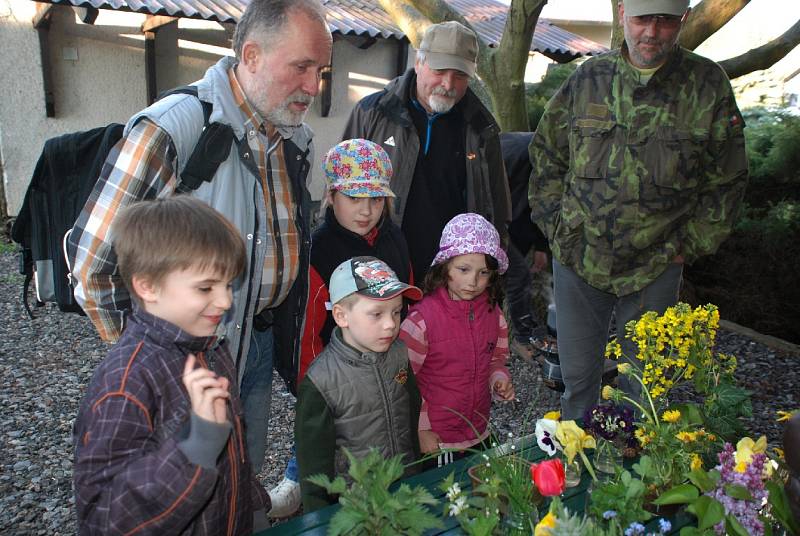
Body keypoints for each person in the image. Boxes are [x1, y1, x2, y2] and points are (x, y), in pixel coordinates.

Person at [66, 0, 333, 515]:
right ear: (251, 55)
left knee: (230, 482)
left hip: (249, 344)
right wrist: (150, 358)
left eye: (320, 71)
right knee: (173, 498)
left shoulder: (293, 136)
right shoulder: (175, 128)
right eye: (301, 67)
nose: (313, 87)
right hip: (182, 360)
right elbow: (92, 260)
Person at [528, 0, 749, 419]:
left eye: (665, 21)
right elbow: (547, 156)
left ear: (682, 19)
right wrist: (557, 227)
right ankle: (576, 468)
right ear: (623, 13)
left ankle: (633, 475)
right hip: (580, 257)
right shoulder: (588, 78)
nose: (652, 32)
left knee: (645, 386)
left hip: (656, 261)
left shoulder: (706, 85)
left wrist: (691, 245)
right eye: (643, 19)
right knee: (576, 380)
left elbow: (728, 178)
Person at [73, 196, 271, 533]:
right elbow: (106, 521)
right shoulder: (126, 383)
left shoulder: (211, 348)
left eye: (227, 285)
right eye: (205, 287)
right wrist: (198, 444)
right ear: (148, 286)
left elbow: (234, 452)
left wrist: (252, 507)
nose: (225, 301)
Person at [273, 138, 414, 516]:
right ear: (332, 195)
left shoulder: (395, 238)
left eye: (376, 199)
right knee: (328, 439)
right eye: (354, 198)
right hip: (337, 371)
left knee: (382, 427)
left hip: (385, 360)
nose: (366, 211)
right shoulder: (318, 250)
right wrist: (310, 385)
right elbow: (306, 328)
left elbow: (408, 300)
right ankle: (301, 479)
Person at [341, 21, 511, 282]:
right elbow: (339, 189)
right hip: (378, 265)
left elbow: (497, 210)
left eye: (460, 75)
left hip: (451, 276)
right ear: (419, 63)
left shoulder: (482, 130)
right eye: (440, 70)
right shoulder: (372, 113)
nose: (448, 83)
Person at [295, 256, 423, 512]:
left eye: (396, 312)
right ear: (342, 316)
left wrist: (417, 468)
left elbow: (411, 410)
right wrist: (319, 521)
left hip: (405, 490)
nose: (390, 324)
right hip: (354, 507)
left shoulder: (398, 353)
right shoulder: (321, 381)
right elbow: (313, 470)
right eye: (376, 314)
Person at [399, 213, 515, 466]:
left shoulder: (493, 314)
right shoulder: (421, 321)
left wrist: (499, 378)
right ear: (445, 267)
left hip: (478, 429)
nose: (473, 282)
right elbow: (402, 379)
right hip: (437, 438)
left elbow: (496, 358)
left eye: (483, 273)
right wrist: (420, 428)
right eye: (463, 269)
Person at [499, 132, 551, 362]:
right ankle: (522, 338)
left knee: (510, 278)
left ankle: (503, 339)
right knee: (518, 276)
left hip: (516, 224)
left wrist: (541, 245)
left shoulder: (550, 164)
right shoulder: (514, 152)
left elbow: (541, 203)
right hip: (485, 223)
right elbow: (484, 193)